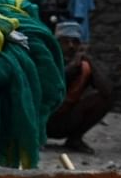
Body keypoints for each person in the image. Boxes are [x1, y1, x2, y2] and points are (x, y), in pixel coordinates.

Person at [46, 21, 113, 154]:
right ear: (56, 43)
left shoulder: (83, 66)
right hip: (43, 121)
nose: (71, 46)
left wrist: (90, 62)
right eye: (65, 41)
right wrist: (67, 72)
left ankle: (75, 139)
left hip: (65, 120)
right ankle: (33, 139)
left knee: (104, 99)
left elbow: (107, 91)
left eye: (75, 42)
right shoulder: (46, 59)